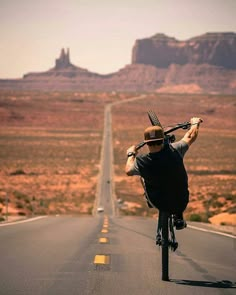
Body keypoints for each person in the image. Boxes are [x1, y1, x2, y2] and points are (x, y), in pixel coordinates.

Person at [125, 117, 202, 230]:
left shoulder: (141, 161)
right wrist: (195, 124)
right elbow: (190, 136)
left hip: (156, 201)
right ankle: (178, 216)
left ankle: (148, 199)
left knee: (142, 176)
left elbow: (128, 170)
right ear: (163, 140)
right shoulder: (175, 150)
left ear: (146, 143)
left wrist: (131, 154)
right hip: (181, 201)